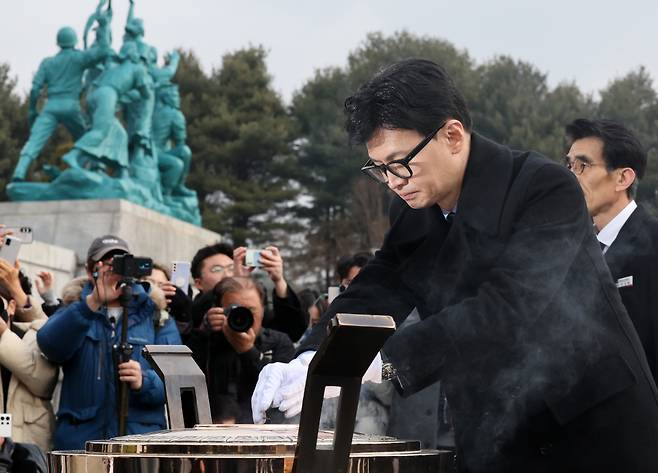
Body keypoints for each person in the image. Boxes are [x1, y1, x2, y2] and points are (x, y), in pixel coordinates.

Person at [252, 59, 658, 472]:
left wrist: (382, 360)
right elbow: (380, 285)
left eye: (400, 161)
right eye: (380, 168)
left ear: (452, 135)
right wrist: (313, 355)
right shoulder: (415, 210)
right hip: (495, 425)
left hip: (588, 426)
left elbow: (508, 307)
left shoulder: (544, 188)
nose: (393, 180)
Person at [37, 235, 181, 450]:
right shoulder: (75, 308)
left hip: (138, 444)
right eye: (106, 264)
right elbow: (50, 345)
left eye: (120, 263)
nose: (113, 271)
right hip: (83, 444)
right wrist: (92, 303)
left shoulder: (155, 315)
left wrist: (144, 381)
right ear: (89, 271)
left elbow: (177, 382)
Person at [565, 118, 658, 382]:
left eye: (582, 165)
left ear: (623, 178)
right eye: (569, 164)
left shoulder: (653, 243)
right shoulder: (572, 250)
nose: (569, 175)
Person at [11, 22, 112, 181]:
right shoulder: (79, 58)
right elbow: (104, 51)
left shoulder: (47, 63)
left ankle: (19, 172)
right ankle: (94, 167)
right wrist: (105, 27)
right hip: (71, 106)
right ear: (74, 41)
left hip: (50, 107)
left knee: (34, 142)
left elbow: (35, 89)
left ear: (58, 42)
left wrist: (32, 109)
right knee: (86, 137)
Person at [186, 276, 295, 423]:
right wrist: (202, 332)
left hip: (263, 433)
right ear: (219, 310)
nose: (243, 317)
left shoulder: (279, 342)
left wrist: (248, 352)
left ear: (263, 309)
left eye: (251, 310)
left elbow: (282, 394)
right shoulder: (207, 340)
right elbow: (186, 388)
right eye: (235, 310)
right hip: (211, 432)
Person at [190, 243, 307, 342]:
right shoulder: (191, 313)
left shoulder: (253, 310)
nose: (228, 274)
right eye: (217, 269)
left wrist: (279, 280)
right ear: (198, 283)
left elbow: (292, 331)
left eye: (231, 268)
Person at [0, 261, 58, 452]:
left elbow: (44, 382)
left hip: (27, 450)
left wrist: (2, 334)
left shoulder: (34, 335)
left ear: (11, 306)